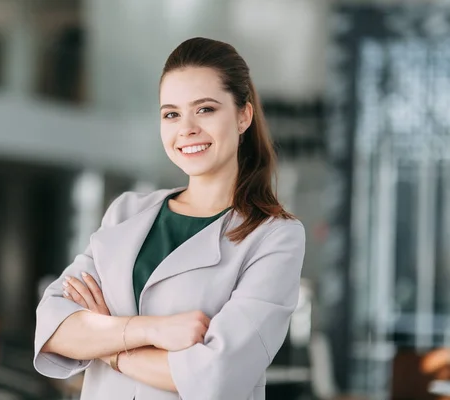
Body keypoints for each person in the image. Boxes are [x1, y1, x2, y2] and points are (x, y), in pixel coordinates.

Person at [33, 37, 306, 400]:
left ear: (244, 115)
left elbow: (216, 375)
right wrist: (153, 331)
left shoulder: (275, 237)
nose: (186, 128)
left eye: (205, 109)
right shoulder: (127, 212)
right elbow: (54, 328)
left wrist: (108, 345)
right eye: (171, 113)